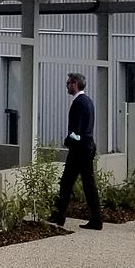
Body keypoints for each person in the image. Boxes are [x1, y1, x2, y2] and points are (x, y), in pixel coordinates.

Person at [49, 72, 103, 230]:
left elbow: (76, 131)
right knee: (87, 183)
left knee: (68, 182)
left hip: (80, 148)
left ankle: (60, 216)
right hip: (88, 146)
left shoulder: (78, 103)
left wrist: (68, 140)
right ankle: (95, 218)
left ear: (75, 84)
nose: (67, 85)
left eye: (69, 83)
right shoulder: (88, 101)